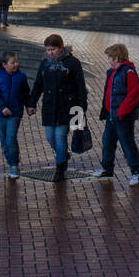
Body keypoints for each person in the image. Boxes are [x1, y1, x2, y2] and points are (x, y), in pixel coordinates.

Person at [26, 33, 88, 182]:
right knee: (49, 137)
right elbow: (38, 85)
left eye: (53, 49)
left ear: (61, 48)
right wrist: (32, 103)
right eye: (48, 50)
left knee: (60, 137)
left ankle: (60, 167)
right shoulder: (45, 64)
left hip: (66, 106)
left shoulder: (72, 63)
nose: (50, 53)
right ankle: (63, 155)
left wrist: (81, 107)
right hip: (49, 106)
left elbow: (80, 86)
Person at [91, 43, 139, 186]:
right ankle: (106, 168)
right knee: (107, 142)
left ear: (118, 57)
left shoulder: (128, 72)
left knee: (127, 144)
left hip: (122, 116)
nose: (109, 60)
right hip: (112, 115)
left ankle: (136, 173)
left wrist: (122, 111)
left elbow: (134, 93)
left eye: (110, 57)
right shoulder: (111, 72)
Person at [0, 51, 30, 180]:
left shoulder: (21, 76)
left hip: (15, 112)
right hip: (0, 113)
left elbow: (25, 93)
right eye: (12, 63)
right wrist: (2, 107)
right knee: (4, 140)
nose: (15, 65)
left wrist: (29, 106)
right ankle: (10, 160)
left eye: (16, 62)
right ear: (4, 65)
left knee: (11, 138)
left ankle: (14, 165)